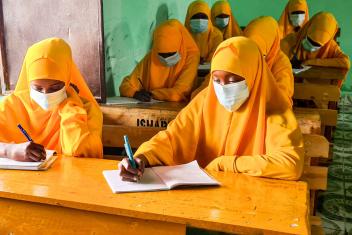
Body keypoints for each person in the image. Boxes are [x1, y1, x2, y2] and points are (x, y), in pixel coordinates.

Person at [119, 37, 304, 182]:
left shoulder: (275, 111)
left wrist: (227, 163)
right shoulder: (205, 100)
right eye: (216, 80)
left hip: (250, 201)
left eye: (233, 81)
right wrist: (143, 157)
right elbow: (172, 138)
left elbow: (290, 164)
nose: (223, 88)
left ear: (254, 76)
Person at [0, 38, 103, 161]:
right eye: (37, 88)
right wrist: (9, 150)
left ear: (67, 80)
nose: (45, 94)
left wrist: (70, 105)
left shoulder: (86, 110)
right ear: (28, 82)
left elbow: (82, 153)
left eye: (55, 88)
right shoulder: (11, 105)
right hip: (20, 179)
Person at [119, 19, 199, 102]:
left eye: (172, 54)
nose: (166, 58)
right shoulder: (152, 56)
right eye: (162, 55)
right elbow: (125, 85)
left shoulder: (191, 57)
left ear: (180, 46)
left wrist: (152, 94)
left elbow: (178, 93)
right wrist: (134, 93)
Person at [281, 12, 350, 87]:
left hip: (318, 90)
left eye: (318, 45)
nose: (311, 48)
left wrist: (312, 62)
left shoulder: (331, 46)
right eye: (310, 40)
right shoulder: (289, 41)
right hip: (292, 87)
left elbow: (346, 63)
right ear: (308, 28)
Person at [244, 16, 294, 103]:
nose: (254, 59)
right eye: (249, 52)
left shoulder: (282, 64)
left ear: (271, 45)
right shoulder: (241, 56)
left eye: (260, 55)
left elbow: (282, 99)